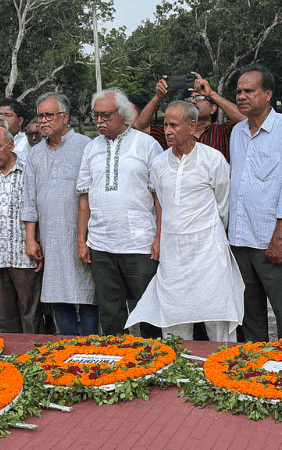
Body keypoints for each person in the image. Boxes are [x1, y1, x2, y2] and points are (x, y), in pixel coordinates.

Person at [126, 101, 244, 341]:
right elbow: (161, 202)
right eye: (165, 124)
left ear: (191, 127)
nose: (167, 130)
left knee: (217, 315)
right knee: (174, 318)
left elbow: (223, 205)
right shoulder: (159, 163)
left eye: (173, 125)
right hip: (174, 255)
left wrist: (207, 233)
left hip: (209, 251)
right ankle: (179, 374)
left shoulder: (213, 159)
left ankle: (222, 370)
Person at [229, 65, 282, 343]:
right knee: (249, 317)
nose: (241, 96)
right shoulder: (237, 132)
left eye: (249, 91)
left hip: (274, 239)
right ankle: (252, 373)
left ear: (268, 94)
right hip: (240, 241)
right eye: (238, 91)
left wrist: (278, 237)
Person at [76, 88, 162, 338]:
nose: (99, 121)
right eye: (96, 116)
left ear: (123, 114)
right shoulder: (91, 148)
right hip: (101, 245)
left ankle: (155, 358)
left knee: (147, 307)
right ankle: (119, 360)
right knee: (110, 311)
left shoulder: (147, 145)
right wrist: (82, 241)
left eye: (105, 115)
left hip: (140, 244)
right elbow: (84, 200)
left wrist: (159, 237)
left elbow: (159, 197)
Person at [22, 92, 97, 336]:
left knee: (88, 294)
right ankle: (66, 351)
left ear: (64, 117)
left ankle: (90, 349)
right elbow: (29, 200)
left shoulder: (86, 147)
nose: (42, 121)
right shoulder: (35, 153)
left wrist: (83, 238)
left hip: (80, 236)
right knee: (57, 293)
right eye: (40, 116)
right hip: (51, 239)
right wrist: (30, 239)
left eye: (49, 115)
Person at [0, 127, 44, 333]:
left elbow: (37, 209)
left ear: (11, 145)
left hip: (24, 255)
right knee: (5, 317)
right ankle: (11, 360)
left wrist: (34, 242)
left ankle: (37, 357)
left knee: (31, 314)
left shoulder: (28, 170)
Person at [132, 72, 245, 161]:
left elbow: (245, 120)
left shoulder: (223, 131)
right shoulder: (174, 131)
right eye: (190, 99)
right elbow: (140, 127)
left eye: (200, 98)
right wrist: (158, 96)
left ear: (213, 108)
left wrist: (211, 94)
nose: (194, 101)